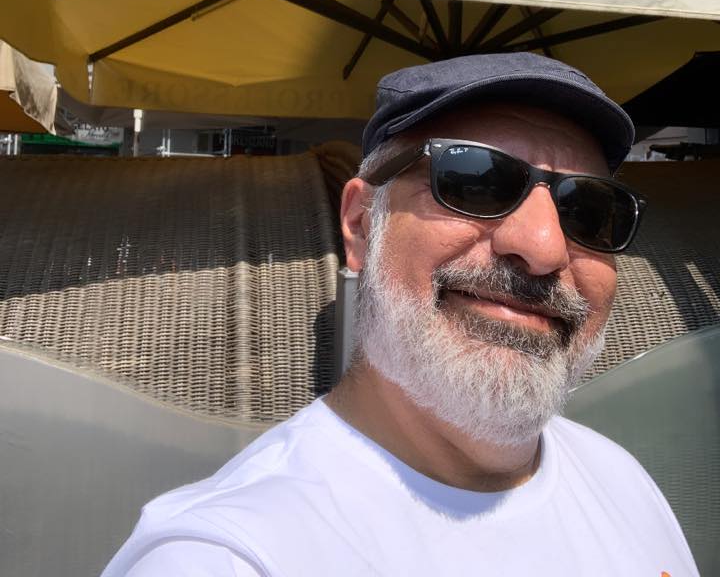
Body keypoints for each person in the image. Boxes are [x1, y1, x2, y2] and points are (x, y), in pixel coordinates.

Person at [102, 52, 699, 577]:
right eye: (475, 180)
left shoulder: (620, 479)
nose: (543, 247)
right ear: (362, 226)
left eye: (591, 210)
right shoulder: (227, 556)